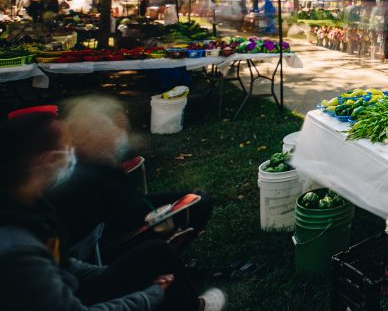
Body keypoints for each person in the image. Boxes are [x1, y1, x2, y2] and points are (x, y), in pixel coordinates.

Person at [0, 108, 223, 311]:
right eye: (67, 148)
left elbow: (64, 262)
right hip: (77, 295)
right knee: (161, 269)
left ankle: (193, 305)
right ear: (47, 161)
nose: (72, 155)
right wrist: (150, 294)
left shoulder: (30, 205)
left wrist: (117, 273)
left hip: (76, 280)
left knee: (156, 254)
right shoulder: (17, 250)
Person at [48, 97, 213, 260]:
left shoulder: (88, 162)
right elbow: (129, 214)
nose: (119, 133)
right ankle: (160, 259)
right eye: (112, 127)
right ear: (89, 137)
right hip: (107, 242)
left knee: (196, 198)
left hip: (118, 222)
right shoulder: (90, 174)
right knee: (197, 203)